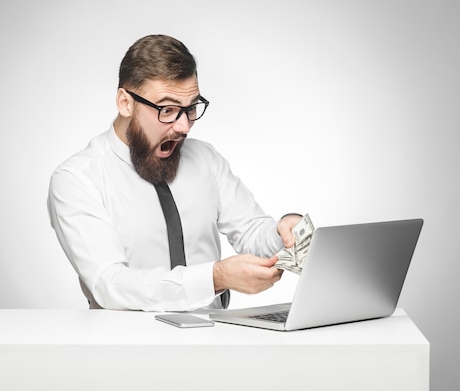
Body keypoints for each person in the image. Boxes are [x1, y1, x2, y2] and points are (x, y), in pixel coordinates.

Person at [48, 34, 303, 311]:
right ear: (125, 103)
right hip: (127, 345)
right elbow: (110, 283)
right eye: (167, 109)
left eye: (191, 108)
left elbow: (251, 232)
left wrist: (285, 232)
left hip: (214, 338)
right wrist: (215, 278)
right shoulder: (77, 179)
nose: (184, 127)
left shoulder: (205, 159)